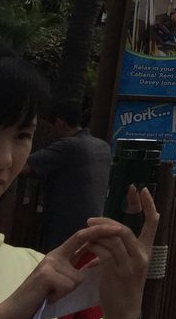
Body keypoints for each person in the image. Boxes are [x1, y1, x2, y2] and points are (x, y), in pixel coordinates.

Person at [0, 48, 158, 319]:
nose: (4, 159)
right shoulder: (33, 282)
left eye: (22, 136)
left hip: (72, 250)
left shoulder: (30, 267)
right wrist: (14, 310)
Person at [23, 100, 112, 253]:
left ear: (59, 123)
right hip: (92, 227)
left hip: (64, 229)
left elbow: (22, 166)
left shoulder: (68, 146)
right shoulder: (103, 147)